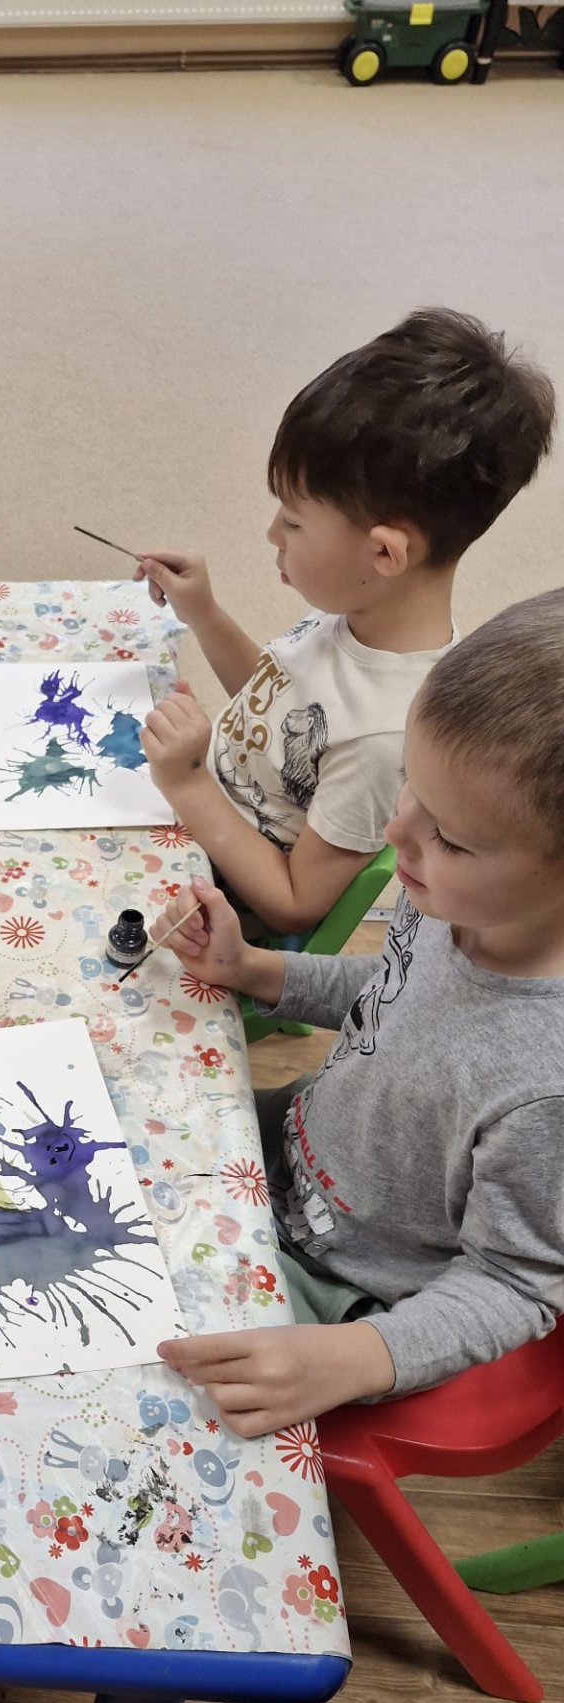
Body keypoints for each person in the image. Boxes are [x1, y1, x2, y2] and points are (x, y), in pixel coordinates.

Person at [150, 592, 564, 1436]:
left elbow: (517, 1283)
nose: (395, 829)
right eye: (411, 786)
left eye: (450, 837)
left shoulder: (545, 1092)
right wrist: (256, 969)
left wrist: (355, 1357)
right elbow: (393, 991)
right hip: (293, 1144)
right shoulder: (450, 898)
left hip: (343, 1280)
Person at [136, 309, 554, 936]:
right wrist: (205, 615)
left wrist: (190, 783)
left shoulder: (386, 736)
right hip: (195, 796)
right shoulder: (358, 610)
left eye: (293, 522)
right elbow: (276, 702)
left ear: (384, 553)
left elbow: (293, 905)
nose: (272, 534)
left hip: (219, 894)